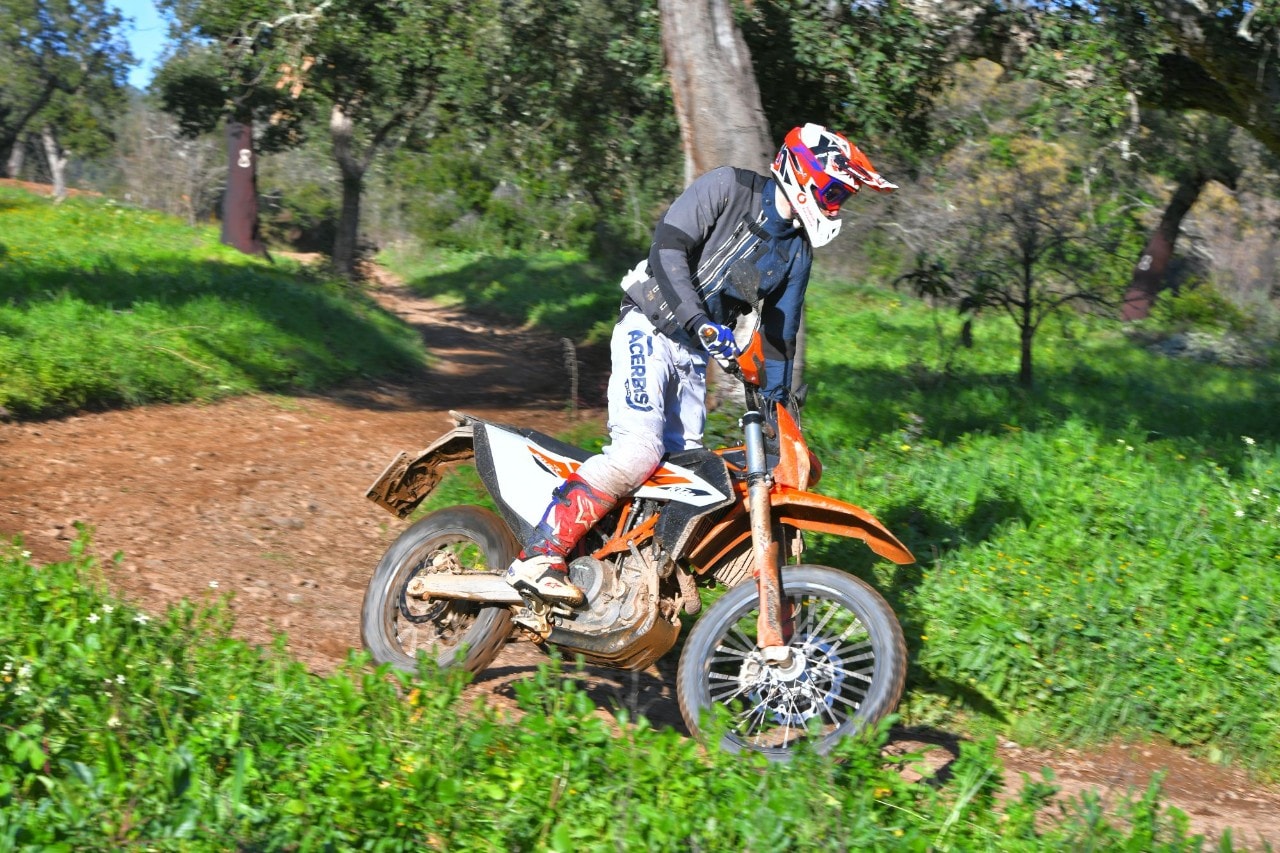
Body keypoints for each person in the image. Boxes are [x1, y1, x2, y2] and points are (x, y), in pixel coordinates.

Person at [505, 123, 897, 605]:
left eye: (844, 197)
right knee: (638, 452)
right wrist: (700, 322)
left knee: (684, 474)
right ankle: (539, 556)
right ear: (802, 172)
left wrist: (781, 418)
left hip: (693, 354)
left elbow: (779, 338)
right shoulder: (727, 186)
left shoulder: (796, 251)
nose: (836, 205)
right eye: (834, 192)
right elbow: (667, 249)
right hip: (648, 326)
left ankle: (623, 571)